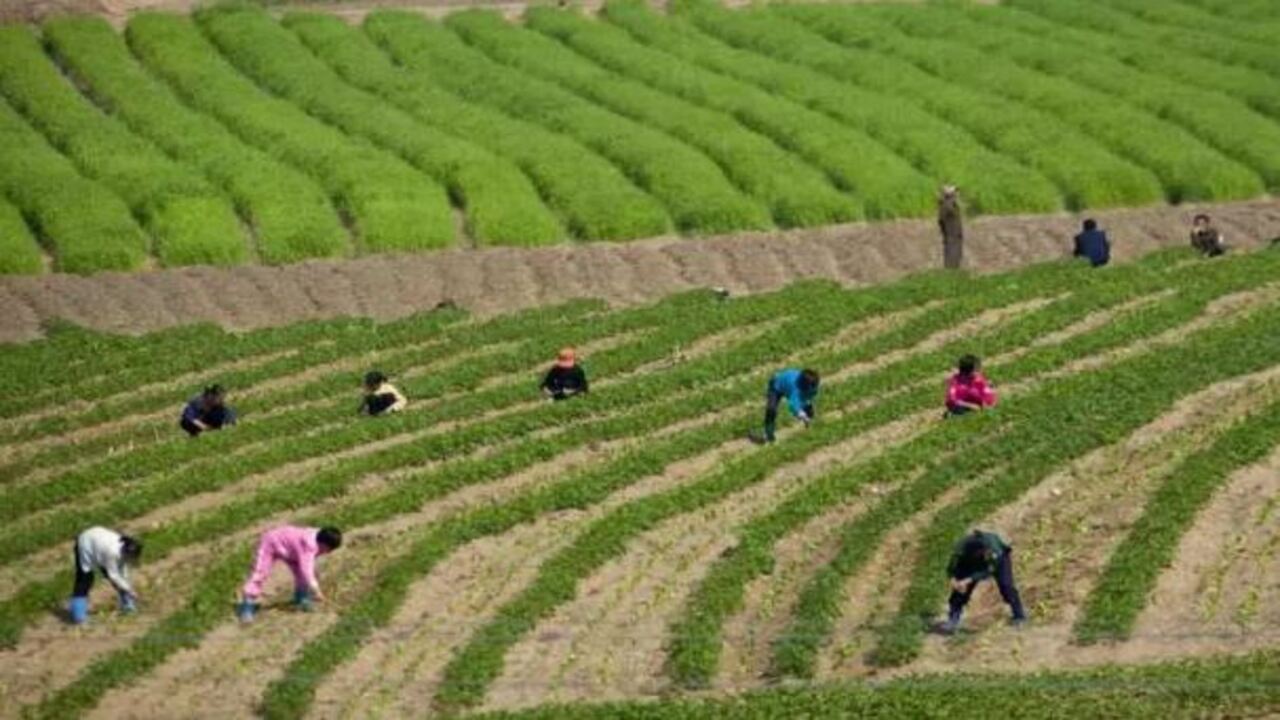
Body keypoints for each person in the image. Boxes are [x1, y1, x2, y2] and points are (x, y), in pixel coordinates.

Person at [236, 525, 342, 623]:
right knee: (260, 573)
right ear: (322, 544)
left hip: (292, 551)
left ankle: (301, 598)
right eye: (328, 549)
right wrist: (316, 590)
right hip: (272, 542)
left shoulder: (319, 538)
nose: (328, 552)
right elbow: (307, 570)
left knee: (301, 575)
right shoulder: (309, 546)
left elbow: (305, 569)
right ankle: (247, 606)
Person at [941, 529, 1026, 634]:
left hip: (1000, 562)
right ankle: (953, 619)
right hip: (971, 562)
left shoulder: (995, 550)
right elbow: (952, 566)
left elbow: (988, 571)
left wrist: (969, 579)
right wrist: (953, 579)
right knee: (960, 591)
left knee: (1006, 586)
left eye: (987, 552)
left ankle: (1019, 616)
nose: (987, 553)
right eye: (984, 553)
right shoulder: (961, 549)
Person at [68, 527, 142, 625]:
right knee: (85, 580)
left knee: (120, 580)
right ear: (126, 553)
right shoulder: (112, 552)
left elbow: (122, 572)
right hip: (86, 544)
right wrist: (130, 590)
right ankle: (79, 617)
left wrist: (128, 587)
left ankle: (128, 606)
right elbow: (114, 575)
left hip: (99, 546)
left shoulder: (123, 549)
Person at [750, 368, 819, 444]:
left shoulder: (812, 386)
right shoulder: (796, 388)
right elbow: (793, 406)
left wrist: (807, 408)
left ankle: (810, 428)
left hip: (789, 385)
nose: (814, 388)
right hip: (776, 386)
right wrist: (802, 415)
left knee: (808, 410)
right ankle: (769, 435)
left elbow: (809, 397)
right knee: (771, 409)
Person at [938, 184, 964, 270]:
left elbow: (940, 222)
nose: (957, 195)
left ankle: (952, 270)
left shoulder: (946, 205)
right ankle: (951, 270)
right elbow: (943, 220)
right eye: (955, 193)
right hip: (952, 234)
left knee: (953, 252)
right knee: (953, 252)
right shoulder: (948, 206)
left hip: (952, 234)